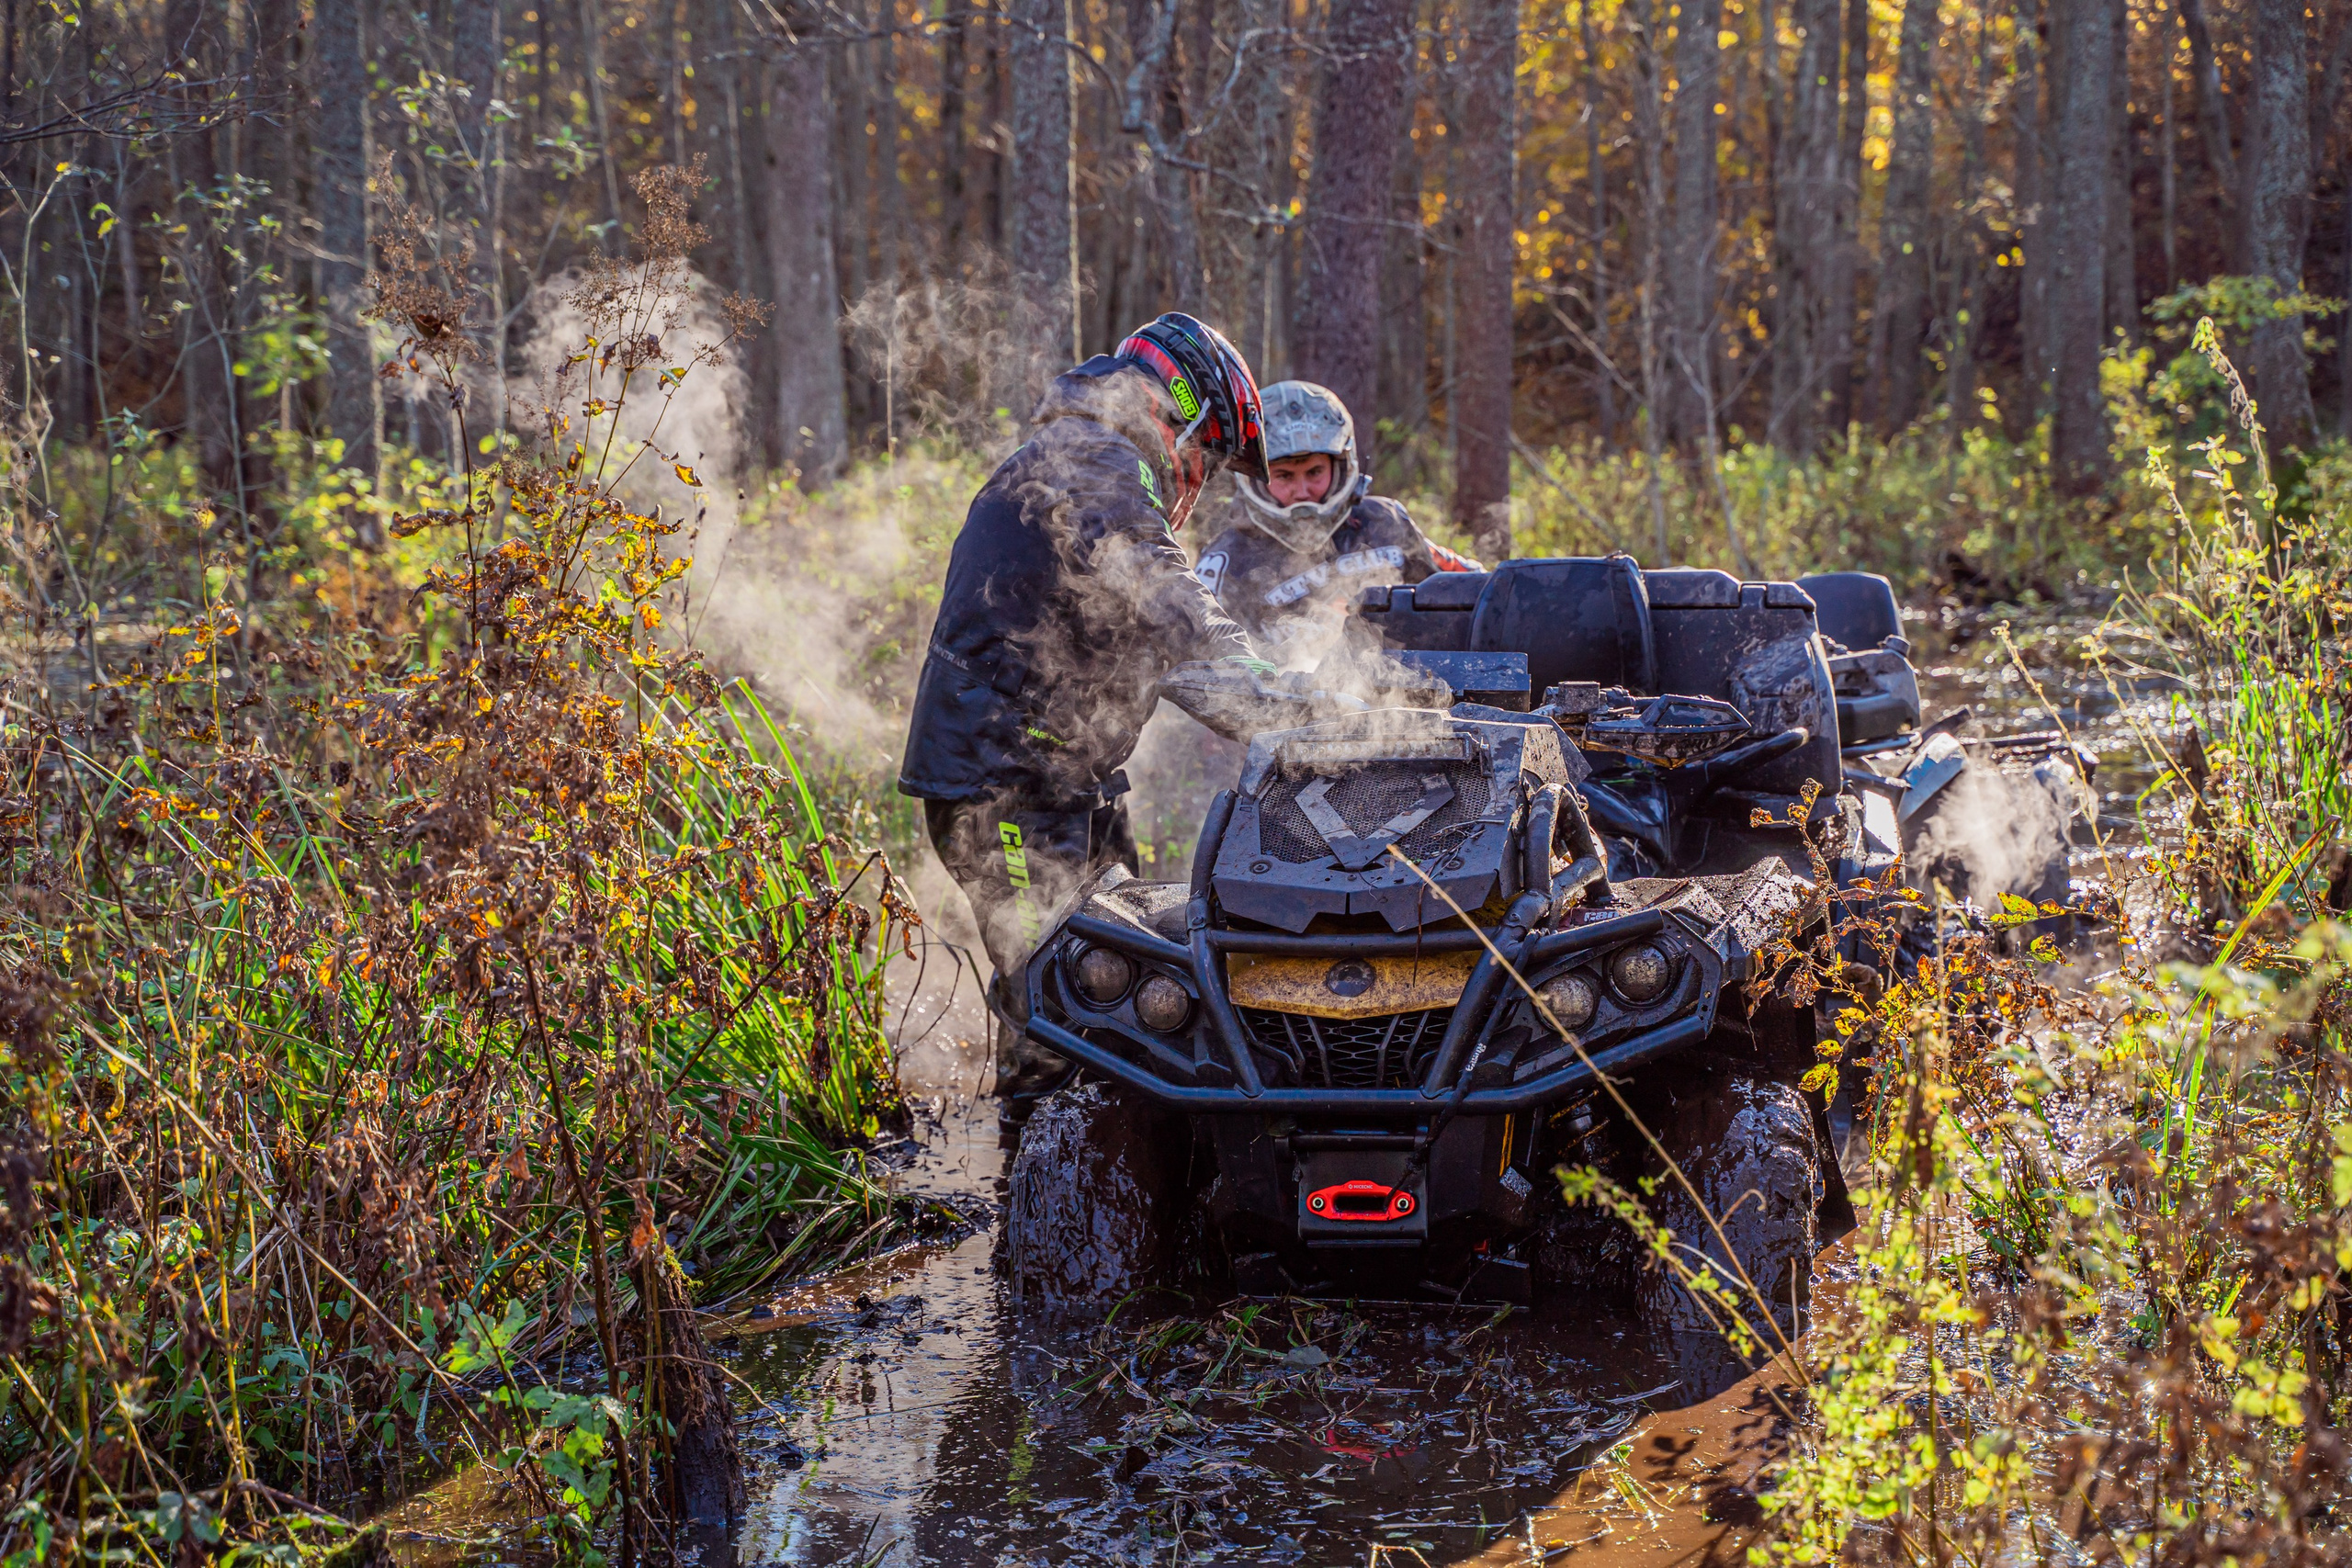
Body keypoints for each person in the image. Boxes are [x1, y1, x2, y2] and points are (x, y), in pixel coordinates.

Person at [898, 312, 1268, 1141]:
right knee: (1064, 1004)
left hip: (1063, 777)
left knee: (1125, 981)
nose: (1200, 481)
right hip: (1007, 785)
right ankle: (1041, 1216)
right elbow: (1176, 612)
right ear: (1182, 416)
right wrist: (1285, 704)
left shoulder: (1084, 453)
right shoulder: (1099, 460)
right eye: (1208, 456)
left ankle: (1119, 1168)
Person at [1191, 380, 1480, 662]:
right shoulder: (1225, 561)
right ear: (1256, 477)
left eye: (1314, 472)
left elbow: (1469, 585)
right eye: (1284, 476)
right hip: (1293, 704)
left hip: (1420, 690)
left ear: (1340, 465)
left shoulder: (1384, 520)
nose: (1303, 492)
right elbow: (1203, 663)